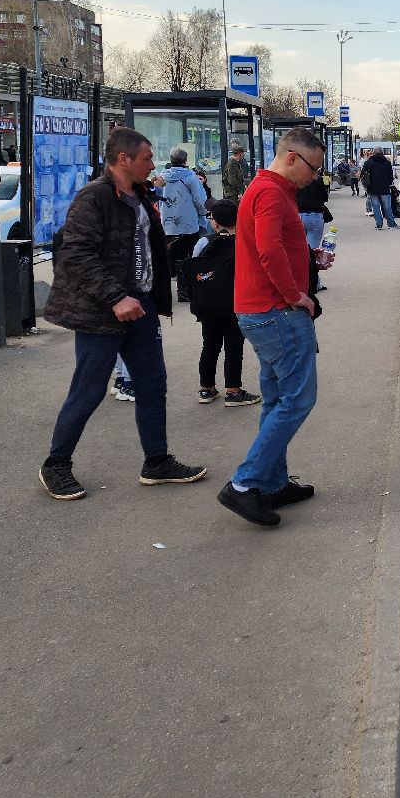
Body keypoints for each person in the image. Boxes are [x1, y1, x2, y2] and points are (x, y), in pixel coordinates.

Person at [38, 127, 207, 502]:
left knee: (152, 383)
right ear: (123, 159)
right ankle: (56, 465)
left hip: (140, 305)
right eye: (146, 158)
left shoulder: (142, 194)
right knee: (88, 389)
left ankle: (157, 462)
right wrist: (116, 297)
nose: (152, 164)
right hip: (103, 310)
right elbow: (77, 254)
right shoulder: (94, 197)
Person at [218, 126, 326, 527]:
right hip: (276, 311)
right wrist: (295, 294)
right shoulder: (269, 193)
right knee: (297, 400)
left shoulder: (271, 191)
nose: (315, 177)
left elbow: (275, 243)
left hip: (263, 310)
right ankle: (245, 484)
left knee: (277, 399)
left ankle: (272, 483)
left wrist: (310, 257)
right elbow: (267, 249)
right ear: (293, 157)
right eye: (313, 168)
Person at [182, 199, 261, 408]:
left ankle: (206, 389)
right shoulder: (244, 242)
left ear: (215, 223)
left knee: (209, 345)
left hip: (208, 305)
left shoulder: (203, 242)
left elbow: (195, 268)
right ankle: (233, 391)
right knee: (234, 347)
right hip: (235, 304)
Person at [158, 146, 209, 302]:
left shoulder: (161, 176)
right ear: (185, 161)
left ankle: (166, 292)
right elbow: (199, 199)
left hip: (168, 223)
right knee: (188, 257)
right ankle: (185, 291)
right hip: (188, 223)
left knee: (171, 257)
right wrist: (203, 213)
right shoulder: (191, 177)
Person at [363, 147, 399, 229]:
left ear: (374, 153)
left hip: (372, 188)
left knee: (375, 207)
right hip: (385, 188)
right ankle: (391, 224)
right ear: (382, 153)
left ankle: (379, 224)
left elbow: (362, 173)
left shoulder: (369, 162)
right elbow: (390, 176)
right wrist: (389, 183)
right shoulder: (387, 162)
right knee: (387, 207)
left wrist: (366, 184)